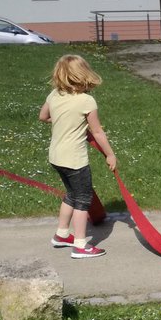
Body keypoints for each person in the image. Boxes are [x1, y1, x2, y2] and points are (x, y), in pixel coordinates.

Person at [39, 54, 116, 259]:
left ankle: (62, 234)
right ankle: (81, 245)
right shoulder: (86, 100)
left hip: (56, 156)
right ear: (84, 75)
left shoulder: (54, 95)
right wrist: (110, 155)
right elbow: (97, 132)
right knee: (83, 200)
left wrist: (64, 121)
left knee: (71, 195)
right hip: (74, 159)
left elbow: (43, 117)